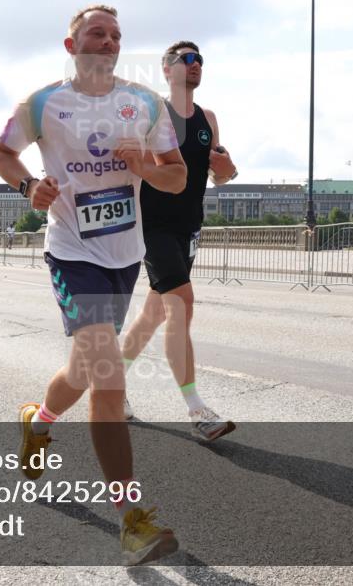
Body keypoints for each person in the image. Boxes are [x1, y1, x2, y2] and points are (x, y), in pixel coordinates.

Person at [0, 4, 186, 566]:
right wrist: (28, 186)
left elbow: (177, 177)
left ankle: (38, 422)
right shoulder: (42, 104)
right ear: (71, 45)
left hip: (124, 258)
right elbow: (3, 154)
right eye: (96, 33)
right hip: (71, 253)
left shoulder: (145, 103)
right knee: (107, 375)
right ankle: (132, 520)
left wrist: (145, 167)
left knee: (83, 370)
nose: (108, 41)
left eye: (116, 35)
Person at [120, 41, 238, 441]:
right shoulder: (153, 114)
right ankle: (197, 408)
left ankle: (112, 383)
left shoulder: (208, 119)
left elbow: (220, 176)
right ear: (166, 69)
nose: (195, 64)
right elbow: (134, 167)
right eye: (186, 59)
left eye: (199, 59)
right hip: (152, 225)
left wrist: (228, 169)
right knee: (181, 304)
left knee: (154, 314)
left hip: (189, 227)